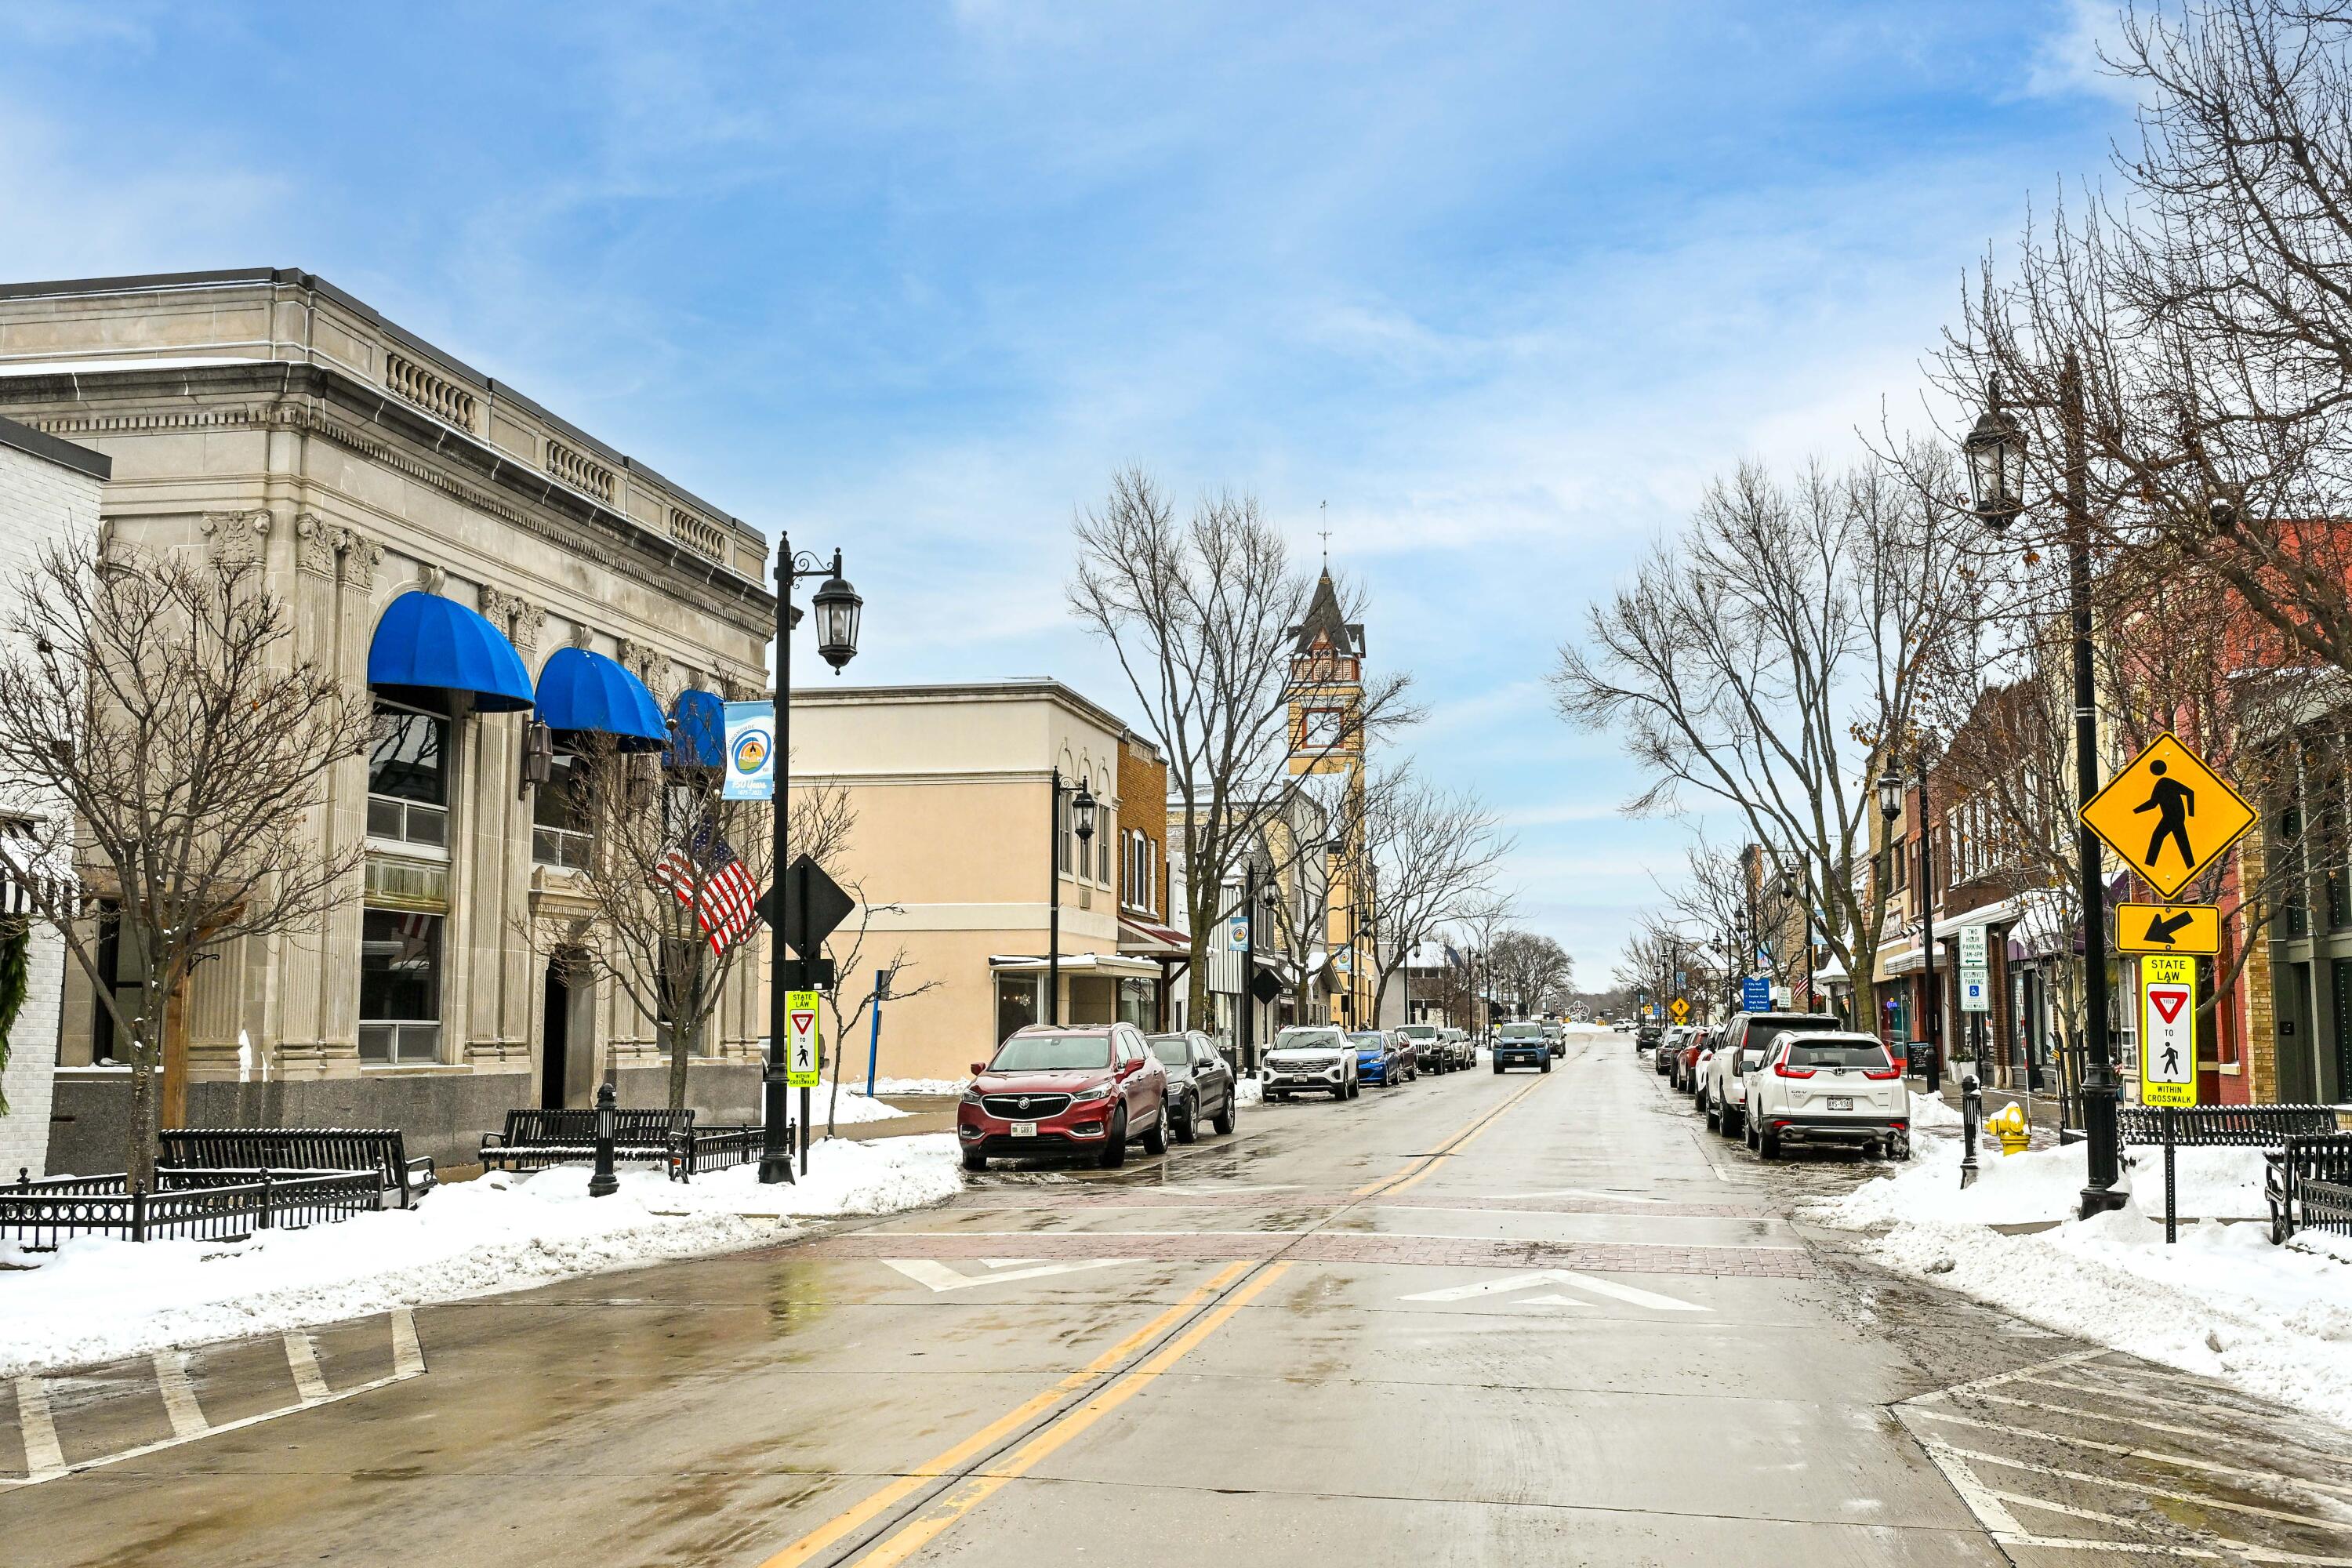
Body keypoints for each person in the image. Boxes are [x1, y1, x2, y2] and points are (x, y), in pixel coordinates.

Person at [2134, 758, 2196, 873]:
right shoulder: (2163, 783)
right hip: (2175, 816)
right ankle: (2191, 865)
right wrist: (2135, 811)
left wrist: (2192, 814)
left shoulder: (2164, 783)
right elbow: (2153, 804)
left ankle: (2149, 865)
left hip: (2172, 817)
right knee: (2182, 842)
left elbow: (2190, 792)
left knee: (2158, 836)